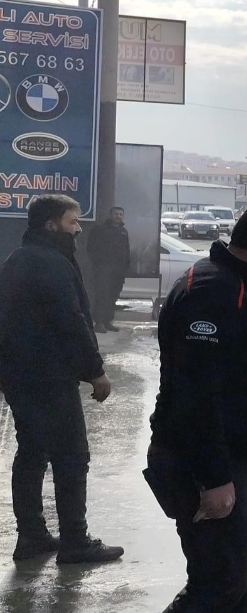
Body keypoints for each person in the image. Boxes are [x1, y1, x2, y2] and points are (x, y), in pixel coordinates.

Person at [146, 202, 247, 612]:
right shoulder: (211, 292)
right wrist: (214, 478)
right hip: (211, 464)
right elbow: (194, 395)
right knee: (218, 587)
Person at [0, 194, 124, 564]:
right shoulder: (51, 263)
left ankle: (32, 537)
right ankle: (75, 542)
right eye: (72, 222)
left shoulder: (18, 259)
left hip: (20, 376)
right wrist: (95, 371)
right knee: (72, 457)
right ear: (51, 226)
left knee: (32, 453)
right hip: (49, 376)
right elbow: (71, 322)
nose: (78, 228)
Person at [86, 205, 131, 332]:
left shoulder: (123, 231)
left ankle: (108, 321)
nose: (118, 216)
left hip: (119, 271)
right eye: (116, 214)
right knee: (102, 295)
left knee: (113, 296)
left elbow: (126, 250)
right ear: (110, 215)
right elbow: (91, 247)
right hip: (104, 269)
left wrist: (126, 266)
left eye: (121, 214)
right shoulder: (100, 229)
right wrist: (98, 263)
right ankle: (99, 322)